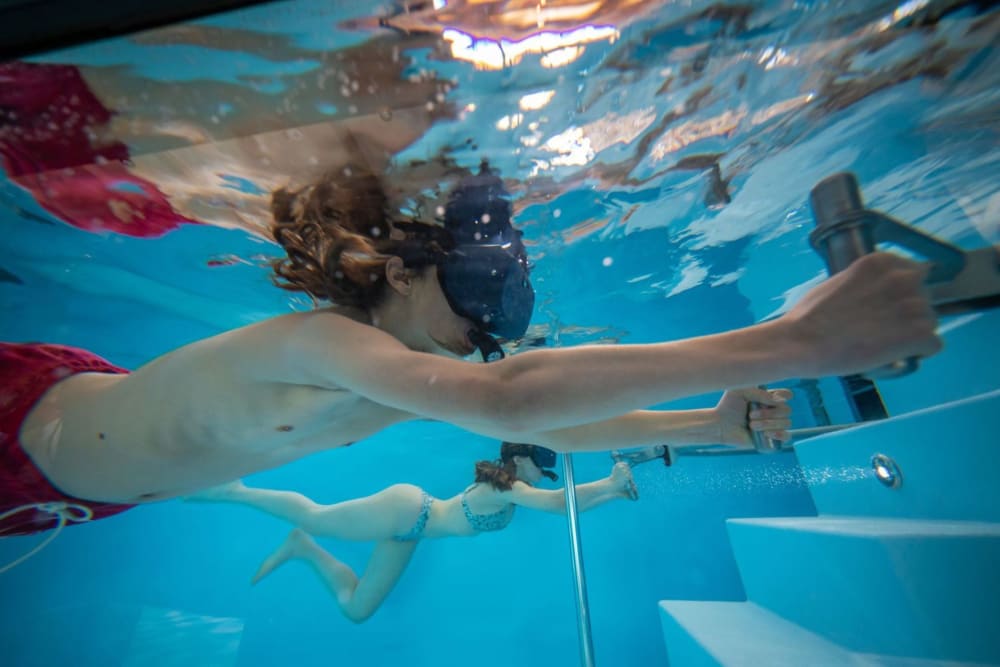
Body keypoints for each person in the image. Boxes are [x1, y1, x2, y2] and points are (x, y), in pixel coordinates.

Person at [0, 160, 940, 537]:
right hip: (25, 415)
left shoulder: (406, 375)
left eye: (493, 320)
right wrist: (798, 340)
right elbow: (512, 402)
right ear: (403, 274)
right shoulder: (324, 341)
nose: (482, 334)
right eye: (472, 302)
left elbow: (560, 425)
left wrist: (709, 422)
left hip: (77, 485)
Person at [188, 442, 642, 622]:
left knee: (357, 609)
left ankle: (302, 549)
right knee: (316, 514)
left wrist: (614, 494)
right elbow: (557, 505)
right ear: (521, 460)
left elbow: (565, 508)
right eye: (543, 466)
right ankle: (236, 490)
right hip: (406, 509)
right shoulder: (507, 488)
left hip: (411, 531)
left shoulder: (513, 488)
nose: (547, 474)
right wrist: (609, 482)